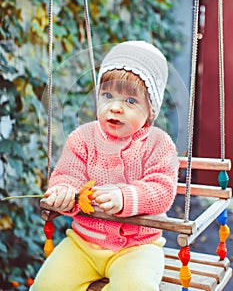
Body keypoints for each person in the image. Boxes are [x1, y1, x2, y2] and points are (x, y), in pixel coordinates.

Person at [30, 41, 179, 291]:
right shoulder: (82, 138)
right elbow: (66, 175)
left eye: (130, 101)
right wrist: (65, 192)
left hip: (137, 247)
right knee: (46, 286)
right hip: (83, 242)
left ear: (151, 110)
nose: (116, 107)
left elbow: (162, 189)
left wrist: (125, 197)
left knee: (136, 286)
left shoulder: (158, 144)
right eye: (107, 95)